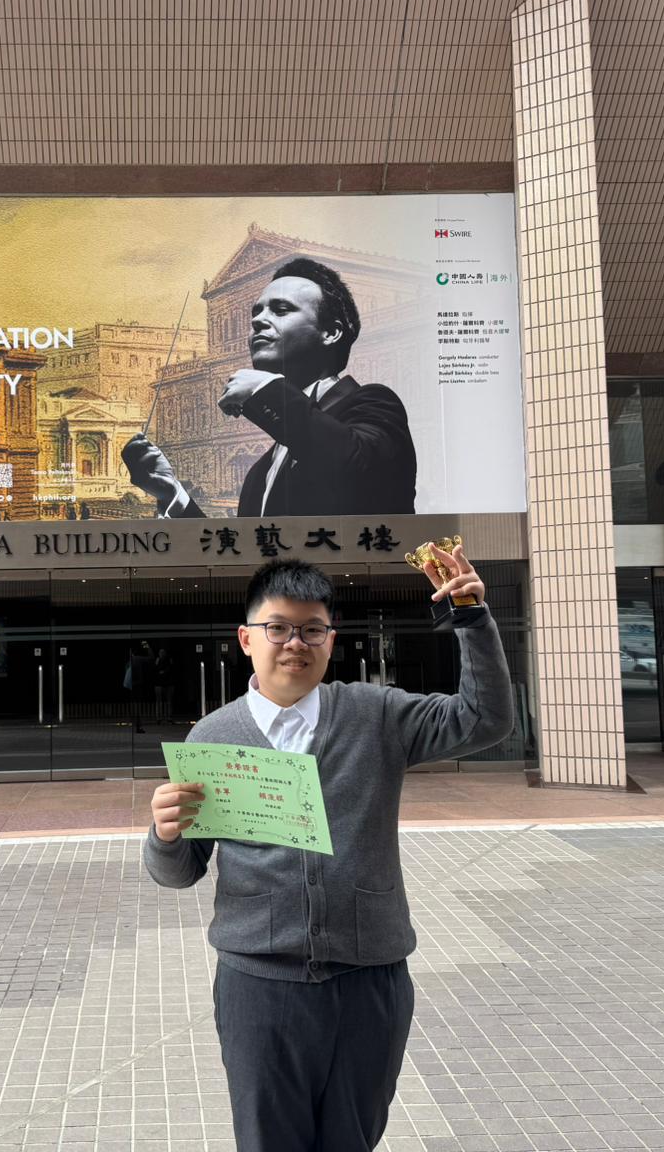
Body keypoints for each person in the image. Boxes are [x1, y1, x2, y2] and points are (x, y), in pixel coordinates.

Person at [144, 551, 512, 1151]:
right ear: (246, 638)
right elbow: (180, 872)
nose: (296, 642)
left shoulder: (377, 714)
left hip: (369, 982)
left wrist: (471, 615)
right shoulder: (213, 737)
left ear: (330, 639)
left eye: (312, 629)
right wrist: (163, 835)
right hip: (258, 985)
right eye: (278, 628)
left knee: (352, 1139)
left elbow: (485, 720)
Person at [121, 257, 417, 517]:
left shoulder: (376, 404)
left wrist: (266, 388)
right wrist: (171, 492)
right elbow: (242, 553)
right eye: (256, 313)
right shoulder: (260, 473)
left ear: (331, 332)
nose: (258, 321)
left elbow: (358, 467)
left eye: (281, 310)